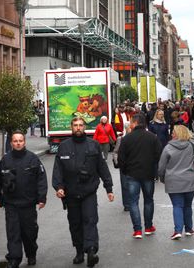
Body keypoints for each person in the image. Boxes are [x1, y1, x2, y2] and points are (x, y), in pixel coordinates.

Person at [52, 117, 114, 267]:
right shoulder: (64, 146)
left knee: (90, 220)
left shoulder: (94, 145)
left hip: (88, 192)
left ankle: (91, 250)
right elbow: (58, 170)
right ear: (71, 127)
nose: (78, 128)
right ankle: (79, 251)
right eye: (75, 125)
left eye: (81, 125)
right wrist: (59, 187)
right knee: (75, 223)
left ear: (84, 127)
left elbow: (102, 168)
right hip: (71, 193)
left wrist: (109, 188)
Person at [0, 130, 48, 268]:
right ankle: (14, 259)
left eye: (20, 140)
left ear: (24, 142)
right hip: (11, 204)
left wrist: (42, 198)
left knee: (29, 233)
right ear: (11, 143)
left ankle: (31, 253)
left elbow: (41, 180)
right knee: (13, 232)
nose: (18, 143)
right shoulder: (5, 160)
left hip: (28, 204)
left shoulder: (33, 159)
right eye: (15, 141)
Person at [118, 114, 162, 239]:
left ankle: (137, 229)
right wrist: (153, 166)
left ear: (135, 123)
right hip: (148, 173)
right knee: (148, 200)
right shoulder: (152, 137)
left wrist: (125, 170)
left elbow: (121, 158)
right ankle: (148, 227)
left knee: (133, 202)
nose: (130, 124)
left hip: (132, 174)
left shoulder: (127, 139)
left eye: (131, 122)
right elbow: (159, 154)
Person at [158, 125, 194, 240]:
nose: (171, 134)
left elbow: (161, 167)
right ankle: (188, 229)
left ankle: (177, 230)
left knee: (177, 205)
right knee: (188, 205)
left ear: (177, 134)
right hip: (190, 179)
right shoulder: (191, 145)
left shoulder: (168, 148)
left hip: (173, 180)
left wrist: (163, 178)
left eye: (173, 132)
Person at [112, 122, 131, 211]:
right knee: (125, 186)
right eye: (129, 128)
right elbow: (115, 151)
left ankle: (133, 202)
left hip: (135, 166)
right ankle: (127, 204)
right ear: (126, 129)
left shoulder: (137, 138)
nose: (131, 129)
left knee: (134, 186)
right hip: (123, 166)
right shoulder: (121, 139)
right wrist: (117, 162)